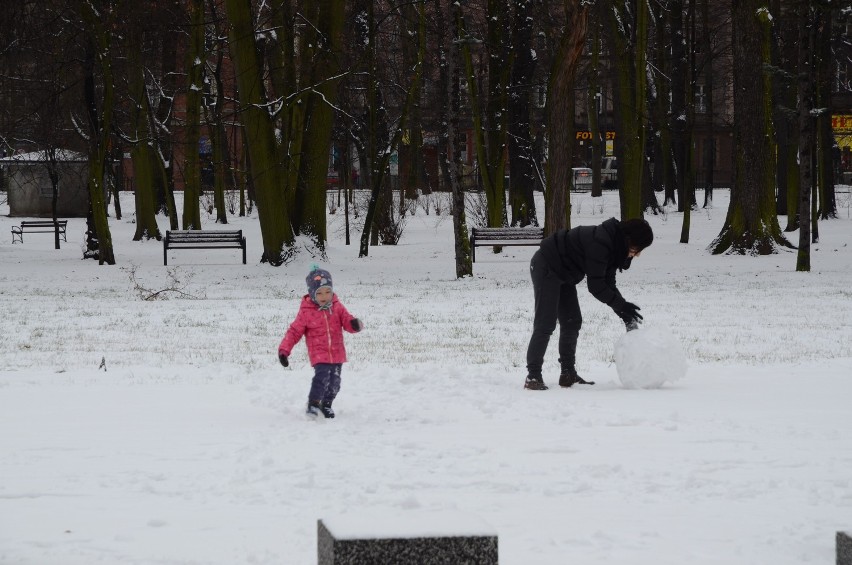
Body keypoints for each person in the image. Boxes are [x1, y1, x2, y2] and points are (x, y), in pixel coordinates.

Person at [524, 217, 654, 391]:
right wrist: (621, 306)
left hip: (565, 272)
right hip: (547, 265)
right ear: (629, 240)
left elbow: (608, 283)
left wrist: (624, 312)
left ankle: (568, 373)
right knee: (546, 322)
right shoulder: (601, 242)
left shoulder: (614, 246)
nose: (637, 254)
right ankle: (533, 376)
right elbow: (596, 286)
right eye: (637, 249)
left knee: (572, 321)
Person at [278, 266, 362, 417]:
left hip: (336, 353)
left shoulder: (337, 307)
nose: (325, 296)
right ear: (312, 293)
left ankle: (327, 404)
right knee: (321, 377)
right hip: (319, 353)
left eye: (328, 292)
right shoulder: (306, 311)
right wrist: (284, 350)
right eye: (320, 293)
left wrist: (355, 324)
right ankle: (314, 404)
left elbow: (348, 321)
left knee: (335, 383)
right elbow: (294, 331)